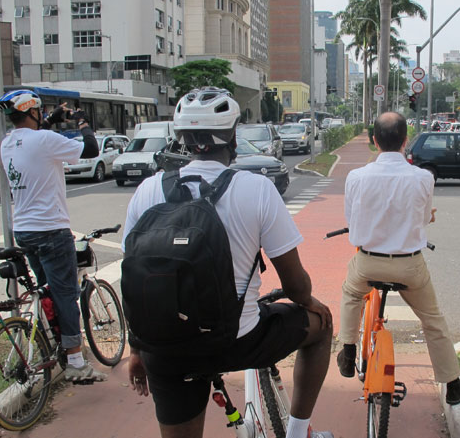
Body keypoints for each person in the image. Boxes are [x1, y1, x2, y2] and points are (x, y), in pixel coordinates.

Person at [123, 87, 333, 438]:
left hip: (165, 348)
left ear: (182, 138)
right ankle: (297, 433)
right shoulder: (256, 189)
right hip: (237, 339)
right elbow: (296, 286)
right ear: (232, 137)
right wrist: (310, 302)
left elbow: (133, 280)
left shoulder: (147, 190)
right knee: (321, 329)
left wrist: (137, 348)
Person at [336, 111, 460, 406]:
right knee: (432, 320)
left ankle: (347, 348)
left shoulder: (356, 177)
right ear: (405, 141)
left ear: (374, 141)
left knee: (350, 293)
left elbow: (351, 218)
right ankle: (452, 383)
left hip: (368, 261)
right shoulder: (423, 178)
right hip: (410, 266)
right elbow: (423, 219)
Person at [0, 90, 105, 382]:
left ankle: (50, 342)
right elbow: (92, 149)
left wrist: (50, 120)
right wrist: (82, 122)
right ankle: (74, 360)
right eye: (40, 111)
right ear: (32, 112)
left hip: (25, 231)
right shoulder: (45, 140)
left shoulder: (7, 143)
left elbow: (33, 141)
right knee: (66, 294)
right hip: (51, 230)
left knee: (46, 290)